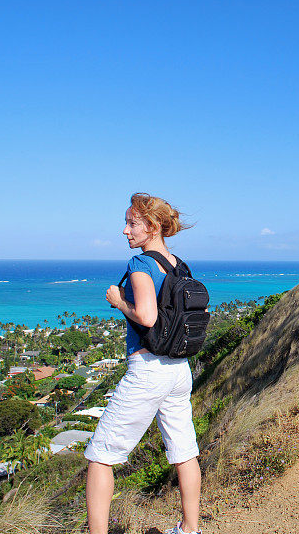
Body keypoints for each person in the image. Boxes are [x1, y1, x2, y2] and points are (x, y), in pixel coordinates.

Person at [84, 192, 202, 534]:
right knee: (184, 451)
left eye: (132, 223)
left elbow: (147, 317)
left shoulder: (141, 264)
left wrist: (119, 301)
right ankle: (189, 529)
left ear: (151, 226)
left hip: (148, 369)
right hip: (179, 370)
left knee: (100, 457)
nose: (125, 230)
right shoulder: (178, 264)